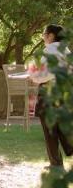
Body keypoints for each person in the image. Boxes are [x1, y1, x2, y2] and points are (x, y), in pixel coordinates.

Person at [28, 24, 73, 167]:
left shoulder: (48, 52)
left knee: (50, 132)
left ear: (51, 35)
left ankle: (56, 164)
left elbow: (37, 75)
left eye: (44, 34)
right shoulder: (67, 52)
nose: (43, 37)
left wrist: (32, 74)